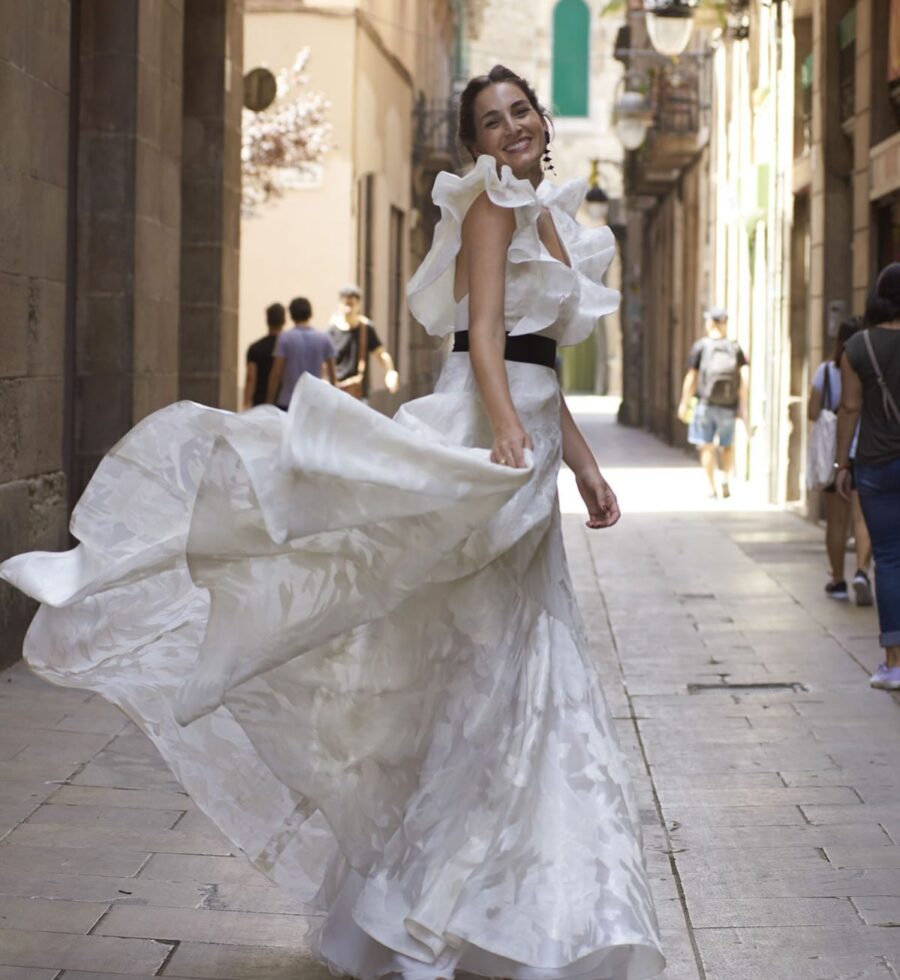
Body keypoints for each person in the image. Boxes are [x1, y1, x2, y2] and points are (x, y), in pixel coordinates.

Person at [0, 64, 664, 980]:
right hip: (489, 444)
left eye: (520, 112)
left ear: (540, 120)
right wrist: (509, 432)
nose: (510, 127)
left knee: (517, 678)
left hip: (531, 455)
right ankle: (113, 568)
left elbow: (541, 359)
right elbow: (483, 346)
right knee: (364, 564)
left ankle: (495, 912)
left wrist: (582, 470)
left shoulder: (545, 210)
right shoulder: (486, 207)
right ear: (471, 142)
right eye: (490, 120)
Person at [837, 263, 900, 690]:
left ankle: (894, 664)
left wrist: (843, 463)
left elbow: (850, 408)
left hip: (875, 464)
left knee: (890, 559)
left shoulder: (858, 346)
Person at [808, 316, 873, 603]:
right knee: (862, 518)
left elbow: (812, 411)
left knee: (836, 521)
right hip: (867, 449)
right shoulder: (870, 368)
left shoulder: (825, 371)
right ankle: (861, 570)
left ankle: (837, 581)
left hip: (837, 452)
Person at [677, 307, 749, 499]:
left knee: (706, 445)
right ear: (724, 323)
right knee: (727, 444)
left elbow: (692, 377)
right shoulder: (735, 348)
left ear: (710, 323)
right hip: (729, 405)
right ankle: (725, 477)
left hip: (705, 404)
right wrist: (743, 406)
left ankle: (711, 487)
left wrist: (684, 402)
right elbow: (743, 379)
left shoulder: (701, 346)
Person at [328, 284, 400, 398]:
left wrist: (390, 371)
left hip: (359, 393)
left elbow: (380, 354)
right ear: (340, 304)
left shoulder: (366, 329)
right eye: (345, 304)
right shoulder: (332, 330)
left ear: (358, 305)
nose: (348, 309)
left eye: (351, 304)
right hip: (336, 391)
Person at [267, 296, 337, 410]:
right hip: (314, 400)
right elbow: (332, 374)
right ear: (310, 314)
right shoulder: (324, 338)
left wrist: (269, 400)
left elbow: (276, 372)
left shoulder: (285, 338)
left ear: (291, 315)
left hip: (288, 400)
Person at [243, 302, 285, 408]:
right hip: (283, 402)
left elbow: (251, 378)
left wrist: (246, 403)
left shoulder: (255, 348)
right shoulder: (287, 348)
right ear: (284, 321)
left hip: (260, 403)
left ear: (267, 321)